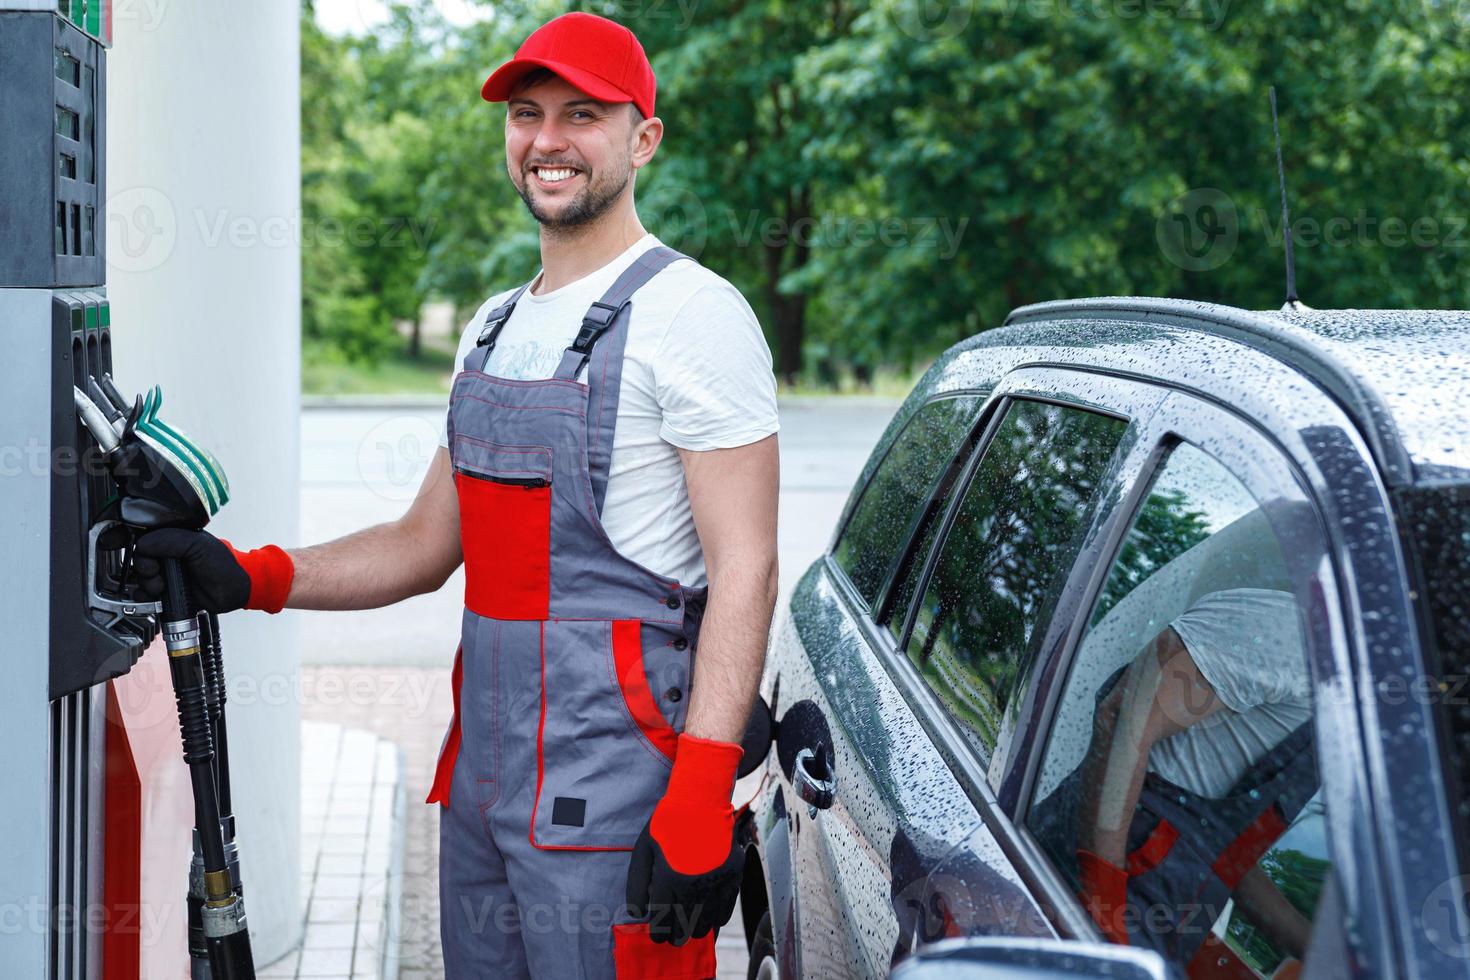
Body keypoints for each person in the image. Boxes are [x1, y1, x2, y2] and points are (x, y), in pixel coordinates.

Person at [131, 12, 780, 979]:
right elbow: (424, 544)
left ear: (644, 138)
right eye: (527, 115)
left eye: (582, 115)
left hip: (618, 798)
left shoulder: (696, 316)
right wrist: (255, 574)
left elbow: (749, 567)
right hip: (482, 786)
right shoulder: (492, 326)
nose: (548, 140)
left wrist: (698, 789)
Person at [1041, 588, 1320, 974]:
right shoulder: (1296, 633)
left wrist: (1323, 953)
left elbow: (1222, 859)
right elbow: (1125, 713)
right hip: (1076, 898)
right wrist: (1101, 903)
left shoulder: (1346, 717)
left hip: (1152, 933)